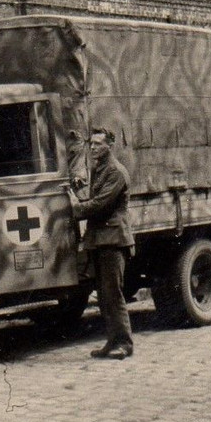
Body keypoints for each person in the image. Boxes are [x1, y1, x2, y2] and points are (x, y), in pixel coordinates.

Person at [65, 128, 135, 359]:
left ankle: (124, 344)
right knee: (104, 294)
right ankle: (112, 341)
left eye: (98, 144)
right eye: (92, 144)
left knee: (113, 293)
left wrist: (75, 204)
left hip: (113, 240)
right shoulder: (100, 169)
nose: (93, 147)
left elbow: (100, 205)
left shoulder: (116, 172)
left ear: (110, 146)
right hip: (100, 240)